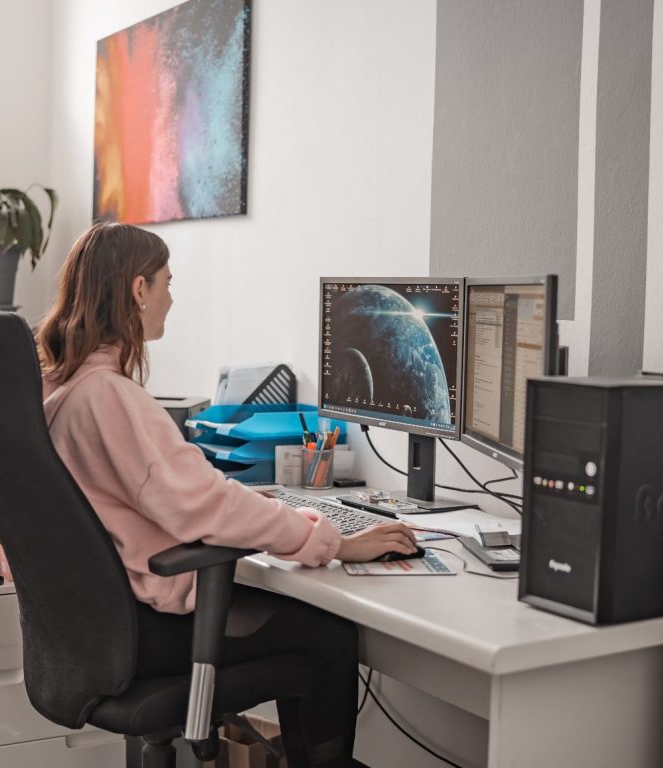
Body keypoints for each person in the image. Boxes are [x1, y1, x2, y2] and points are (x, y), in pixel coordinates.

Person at [35, 221, 418, 768]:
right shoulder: (110, 399)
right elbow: (208, 507)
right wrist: (334, 541)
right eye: (167, 282)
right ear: (138, 290)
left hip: (103, 628)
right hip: (151, 627)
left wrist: (301, 519)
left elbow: (192, 499)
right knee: (328, 636)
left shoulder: (63, 388)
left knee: (300, 615)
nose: (172, 297)